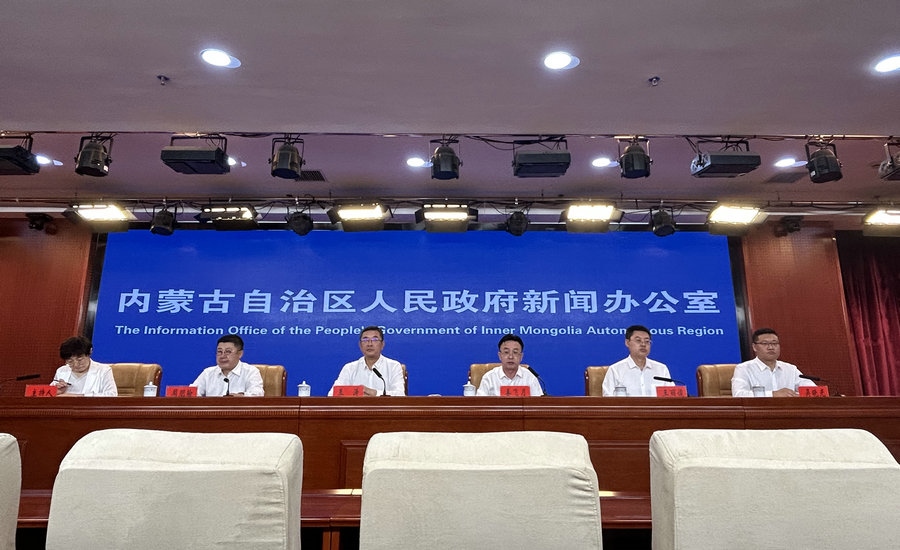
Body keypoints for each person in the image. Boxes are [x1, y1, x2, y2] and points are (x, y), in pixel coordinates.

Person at [731, 328, 816, 397]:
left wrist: (795, 395)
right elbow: (738, 394)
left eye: (774, 343)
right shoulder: (744, 369)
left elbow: (813, 390)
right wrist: (773, 394)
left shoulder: (790, 369)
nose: (771, 347)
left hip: (788, 410)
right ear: (754, 347)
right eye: (765, 343)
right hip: (758, 412)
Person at [328, 326, 406, 396]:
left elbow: (400, 394)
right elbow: (332, 394)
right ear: (360, 345)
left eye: (375, 339)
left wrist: (374, 393)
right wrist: (357, 394)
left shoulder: (393, 366)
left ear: (382, 344)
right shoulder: (349, 368)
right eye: (365, 340)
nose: (369, 344)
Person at [601, 325, 674, 397]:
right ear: (627, 342)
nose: (643, 344)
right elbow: (608, 399)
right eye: (638, 340)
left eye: (647, 341)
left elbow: (672, 399)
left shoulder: (661, 369)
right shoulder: (615, 370)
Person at [191, 334, 264, 396]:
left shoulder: (250, 372)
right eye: (219, 351)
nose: (222, 356)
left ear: (240, 354)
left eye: (228, 351)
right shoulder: (208, 373)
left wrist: (241, 397)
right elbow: (191, 394)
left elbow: (257, 394)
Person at [476, 334, 544, 396]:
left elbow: (539, 403)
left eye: (515, 352)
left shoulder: (530, 378)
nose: (510, 357)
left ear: (521, 356)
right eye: (506, 352)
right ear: (500, 355)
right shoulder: (489, 378)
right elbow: (479, 403)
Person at [50, 336, 118, 397]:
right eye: (70, 361)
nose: (76, 364)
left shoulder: (103, 371)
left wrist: (80, 397)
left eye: (79, 359)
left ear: (90, 352)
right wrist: (56, 392)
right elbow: (48, 395)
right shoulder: (61, 371)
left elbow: (112, 395)